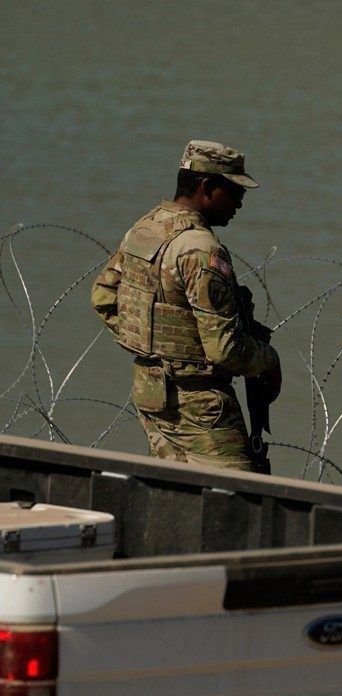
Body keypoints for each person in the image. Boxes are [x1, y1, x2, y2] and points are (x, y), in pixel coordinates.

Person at [90, 140, 281, 471]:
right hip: (200, 404)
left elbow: (104, 297)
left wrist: (151, 346)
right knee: (238, 500)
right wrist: (267, 359)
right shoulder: (201, 250)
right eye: (234, 190)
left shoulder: (146, 228)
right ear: (207, 187)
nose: (240, 201)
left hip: (151, 392)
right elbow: (225, 350)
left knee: (175, 494)